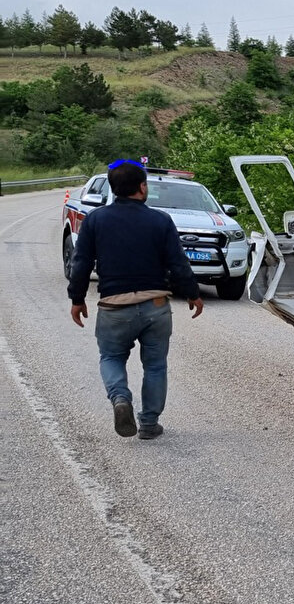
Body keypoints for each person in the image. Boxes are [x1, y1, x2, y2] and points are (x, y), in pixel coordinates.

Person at [68, 160, 203, 439]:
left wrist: (77, 299)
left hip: (114, 306)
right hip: (155, 306)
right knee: (155, 365)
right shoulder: (160, 220)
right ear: (142, 188)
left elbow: (81, 263)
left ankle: (120, 398)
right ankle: (149, 424)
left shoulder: (95, 220)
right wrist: (192, 293)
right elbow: (178, 262)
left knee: (111, 357)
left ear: (114, 189)